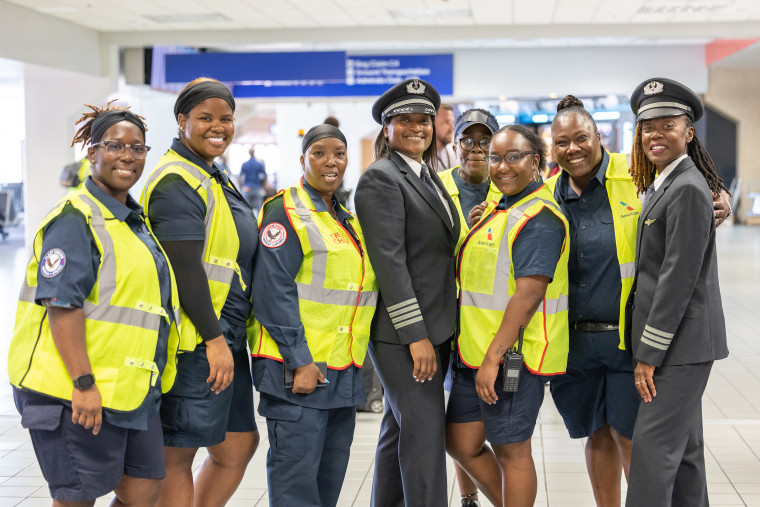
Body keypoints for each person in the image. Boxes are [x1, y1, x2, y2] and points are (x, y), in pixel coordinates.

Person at [545, 95, 732, 507]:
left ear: (600, 136)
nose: (572, 148)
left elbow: (689, 204)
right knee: (596, 434)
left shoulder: (635, 176)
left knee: (641, 442)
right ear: (550, 146)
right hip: (574, 343)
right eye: (561, 142)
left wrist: (721, 198)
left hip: (629, 339)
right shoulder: (544, 194)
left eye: (582, 137)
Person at [9, 101, 185, 505]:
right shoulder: (76, 219)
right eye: (115, 146)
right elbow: (62, 306)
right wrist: (83, 384)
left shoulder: (131, 221)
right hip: (73, 390)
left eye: (137, 148)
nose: (127, 156)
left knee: (144, 490)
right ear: (92, 153)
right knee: (79, 497)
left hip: (128, 389)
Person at [140, 77, 259, 507]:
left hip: (226, 334)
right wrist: (213, 340)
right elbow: (186, 270)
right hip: (196, 341)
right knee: (178, 455)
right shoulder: (176, 182)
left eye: (225, 119)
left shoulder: (211, 173)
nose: (218, 126)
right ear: (181, 121)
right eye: (205, 118)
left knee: (237, 445)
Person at [249, 124, 379, 506]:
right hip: (298, 374)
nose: (330, 162)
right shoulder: (285, 210)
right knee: (296, 485)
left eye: (339, 153)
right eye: (319, 153)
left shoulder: (344, 218)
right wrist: (300, 360)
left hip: (341, 372)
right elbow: (273, 291)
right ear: (302, 159)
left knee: (328, 481)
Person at [447, 124, 569, 507]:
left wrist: (492, 359)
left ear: (535, 161)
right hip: (473, 353)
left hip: (511, 358)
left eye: (513, 157)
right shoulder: (503, 208)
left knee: (511, 451)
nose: (502, 166)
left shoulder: (540, 217)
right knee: (459, 442)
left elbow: (528, 294)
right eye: (496, 157)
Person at [354, 78, 460, 507]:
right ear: (386, 128)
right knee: (425, 439)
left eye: (424, 121)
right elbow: (391, 266)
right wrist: (416, 335)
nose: (416, 128)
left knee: (400, 432)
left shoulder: (425, 174)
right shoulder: (381, 179)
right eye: (405, 121)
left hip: (433, 326)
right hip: (405, 336)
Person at [624, 77, 728, 507]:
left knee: (652, 455)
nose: (656, 134)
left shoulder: (685, 187)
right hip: (680, 344)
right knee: (684, 454)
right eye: (648, 127)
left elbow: (677, 279)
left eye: (667, 124)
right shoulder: (666, 182)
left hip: (676, 346)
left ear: (688, 132)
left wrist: (649, 353)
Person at [438, 108, 501, 507]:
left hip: (495, 323)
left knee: (489, 426)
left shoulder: (510, 187)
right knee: (457, 424)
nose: (476, 149)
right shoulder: (437, 187)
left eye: (485, 141)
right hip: (448, 320)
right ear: (455, 144)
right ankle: (467, 498)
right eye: (468, 140)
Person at [239, 146, 268, 212]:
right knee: (259, 208)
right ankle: (259, 221)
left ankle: (247, 221)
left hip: (247, 188)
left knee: (246, 208)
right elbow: (265, 176)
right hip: (257, 188)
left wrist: (241, 187)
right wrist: (263, 186)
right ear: (254, 153)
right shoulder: (259, 164)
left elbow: (240, 177)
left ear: (249, 153)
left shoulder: (245, 164)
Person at [432, 103, 457, 172]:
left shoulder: (454, 154)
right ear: (432, 123)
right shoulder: (420, 157)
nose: (452, 129)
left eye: (452, 122)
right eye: (446, 122)